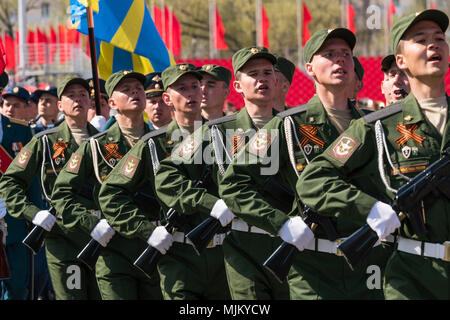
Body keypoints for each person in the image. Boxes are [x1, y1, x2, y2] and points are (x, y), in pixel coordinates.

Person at [219, 28, 391, 300]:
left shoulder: (374, 125)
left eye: (346, 54)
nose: (340, 61)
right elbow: (234, 184)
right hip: (313, 266)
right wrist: (280, 223)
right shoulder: (288, 125)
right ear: (310, 67)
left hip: (369, 263)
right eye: (329, 54)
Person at [297, 9, 449, 300]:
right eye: (421, 39)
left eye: (439, 38)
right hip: (412, 278)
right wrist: (370, 207)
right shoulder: (377, 126)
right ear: (401, 61)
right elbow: (313, 181)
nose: (433, 45)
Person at [155, 47, 287, 300]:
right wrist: (210, 204)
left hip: (292, 241)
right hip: (242, 247)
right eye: (253, 73)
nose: (262, 79)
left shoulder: (293, 127)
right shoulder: (214, 131)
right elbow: (167, 176)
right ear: (237, 86)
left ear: (277, 80)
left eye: (268, 73)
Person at [97, 63, 214, 300]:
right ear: (168, 98)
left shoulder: (224, 135)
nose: (191, 93)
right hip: (175, 252)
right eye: (182, 88)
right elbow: (110, 195)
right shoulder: (153, 144)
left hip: (223, 255)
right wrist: (147, 230)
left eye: (195, 86)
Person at [51, 70, 162, 300]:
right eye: (126, 90)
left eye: (138, 89)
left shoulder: (162, 141)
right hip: (114, 249)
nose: (135, 93)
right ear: (111, 103)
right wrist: (91, 223)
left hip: (157, 243)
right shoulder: (95, 147)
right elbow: (62, 194)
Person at [0, 77, 101, 300]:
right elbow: (10, 183)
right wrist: (33, 213)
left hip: (103, 236)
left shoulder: (106, 142)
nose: (78, 100)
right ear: (60, 105)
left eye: (83, 94)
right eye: (71, 95)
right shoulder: (44, 142)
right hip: (65, 237)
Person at [0, 103, 43, 300]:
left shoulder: (20, 129)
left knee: (17, 287)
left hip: (15, 219)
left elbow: (31, 178)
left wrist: (35, 214)